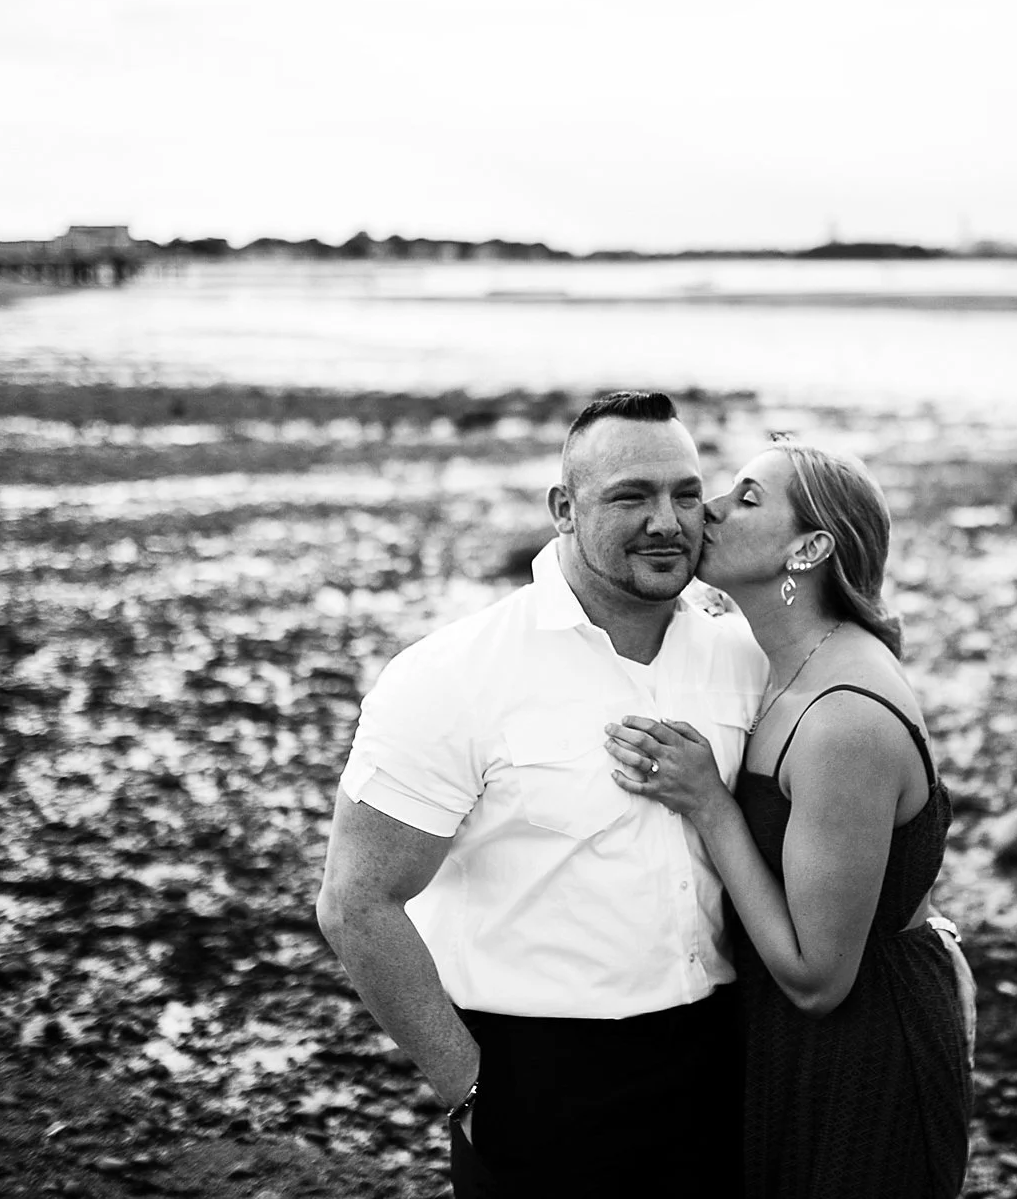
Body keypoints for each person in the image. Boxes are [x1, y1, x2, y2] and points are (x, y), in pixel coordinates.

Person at [315, 390, 768, 1198]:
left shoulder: (742, 654)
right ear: (563, 508)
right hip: (541, 1081)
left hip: (720, 1065)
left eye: (686, 494)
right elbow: (356, 902)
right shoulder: (454, 676)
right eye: (631, 496)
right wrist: (475, 1093)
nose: (668, 521)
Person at [605, 440, 974, 1198]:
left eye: (745, 499)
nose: (706, 508)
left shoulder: (843, 720)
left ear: (808, 548)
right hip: (789, 1043)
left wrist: (709, 802)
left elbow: (817, 979)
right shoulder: (783, 659)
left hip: (863, 1058)